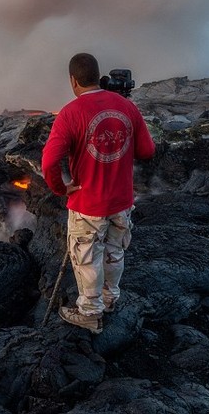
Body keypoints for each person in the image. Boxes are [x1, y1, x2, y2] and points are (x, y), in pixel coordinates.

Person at [41, 53, 156, 333]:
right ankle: (110, 299)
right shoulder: (125, 107)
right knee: (115, 251)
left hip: (88, 203)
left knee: (87, 256)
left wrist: (61, 187)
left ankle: (90, 312)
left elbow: (48, 161)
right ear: (97, 75)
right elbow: (147, 151)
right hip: (121, 200)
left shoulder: (70, 113)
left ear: (73, 80)